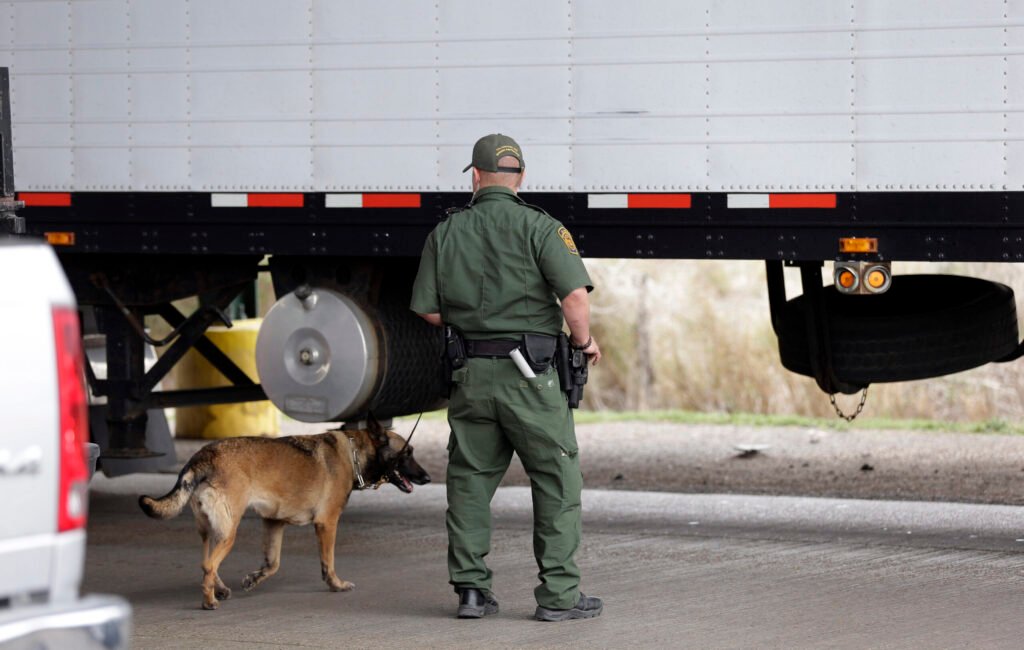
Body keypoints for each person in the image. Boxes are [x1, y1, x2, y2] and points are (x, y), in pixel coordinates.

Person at [410, 134, 603, 622]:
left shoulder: (445, 233)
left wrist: (473, 323)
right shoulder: (542, 227)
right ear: (521, 179)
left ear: (475, 177)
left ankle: (472, 593)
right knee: (557, 479)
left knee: (470, 481)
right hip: (531, 378)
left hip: (471, 374)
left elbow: (429, 311)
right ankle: (558, 597)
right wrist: (583, 342)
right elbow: (574, 298)